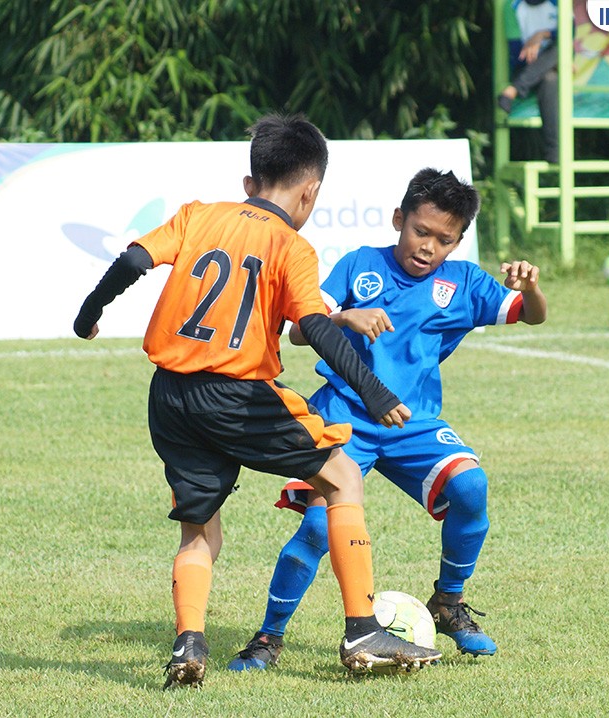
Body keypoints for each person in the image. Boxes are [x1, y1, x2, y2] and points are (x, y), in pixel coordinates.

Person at [72, 113, 442, 688]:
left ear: (251, 181)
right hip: (238, 395)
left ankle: (189, 643)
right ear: (310, 191)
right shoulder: (291, 246)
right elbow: (317, 329)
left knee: (199, 531)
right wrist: (372, 391)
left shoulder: (198, 216)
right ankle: (363, 628)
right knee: (343, 476)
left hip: (170, 396)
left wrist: (87, 315)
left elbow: (132, 261)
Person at [227, 168, 548, 672]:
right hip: (344, 415)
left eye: (444, 240)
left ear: (459, 242)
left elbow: (531, 315)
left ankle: (448, 602)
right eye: (421, 232)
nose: (428, 247)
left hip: (410, 421)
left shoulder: (463, 282)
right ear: (400, 219)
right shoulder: (359, 266)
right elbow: (298, 333)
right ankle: (268, 637)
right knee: (316, 527)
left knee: (471, 488)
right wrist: (343, 317)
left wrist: (530, 289)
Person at [497, 0, 560, 164]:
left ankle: (514, 89)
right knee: (550, 75)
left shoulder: (559, 4)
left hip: (556, 65)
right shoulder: (512, 7)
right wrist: (543, 60)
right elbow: (517, 53)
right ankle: (554, 151)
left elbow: (569, 36)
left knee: (558, 54)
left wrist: (541, 35)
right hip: (525, 66)